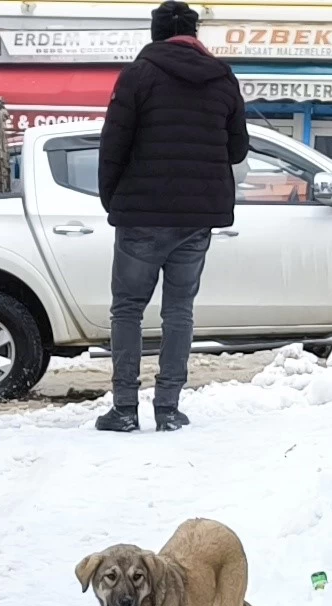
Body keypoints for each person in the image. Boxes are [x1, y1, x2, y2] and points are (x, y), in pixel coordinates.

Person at [92, 0, 245, 434]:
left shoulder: (138, 75)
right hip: (196, 217)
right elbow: (236, 150)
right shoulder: (222, 79)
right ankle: (169, 409)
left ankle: (124, 409)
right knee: (179, 310)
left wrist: (112, 199)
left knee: (127, 309)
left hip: (141, 214)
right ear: (196, 35)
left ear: (155, 34)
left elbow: (113, 145)